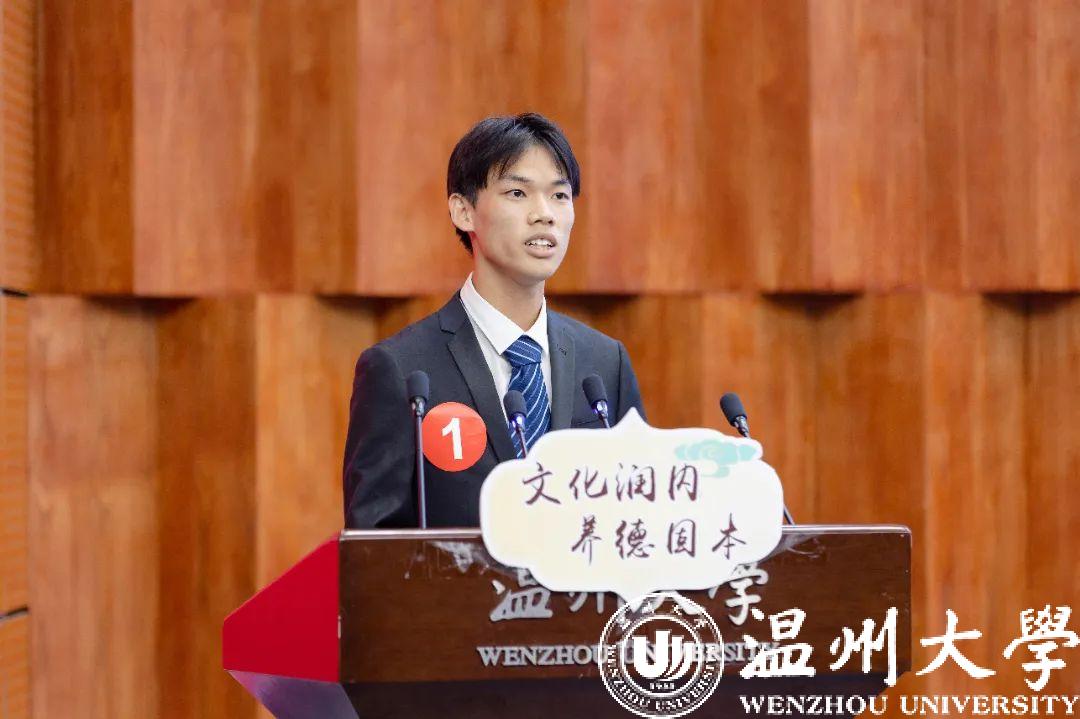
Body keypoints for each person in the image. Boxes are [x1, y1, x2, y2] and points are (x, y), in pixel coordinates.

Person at [343, 112, 646, 528]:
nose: (545, 214)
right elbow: (373, 548)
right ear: (463, 211)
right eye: (518, 193)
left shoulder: (606, 363)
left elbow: (639, 517)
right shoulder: (403, 371)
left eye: (560, 196)